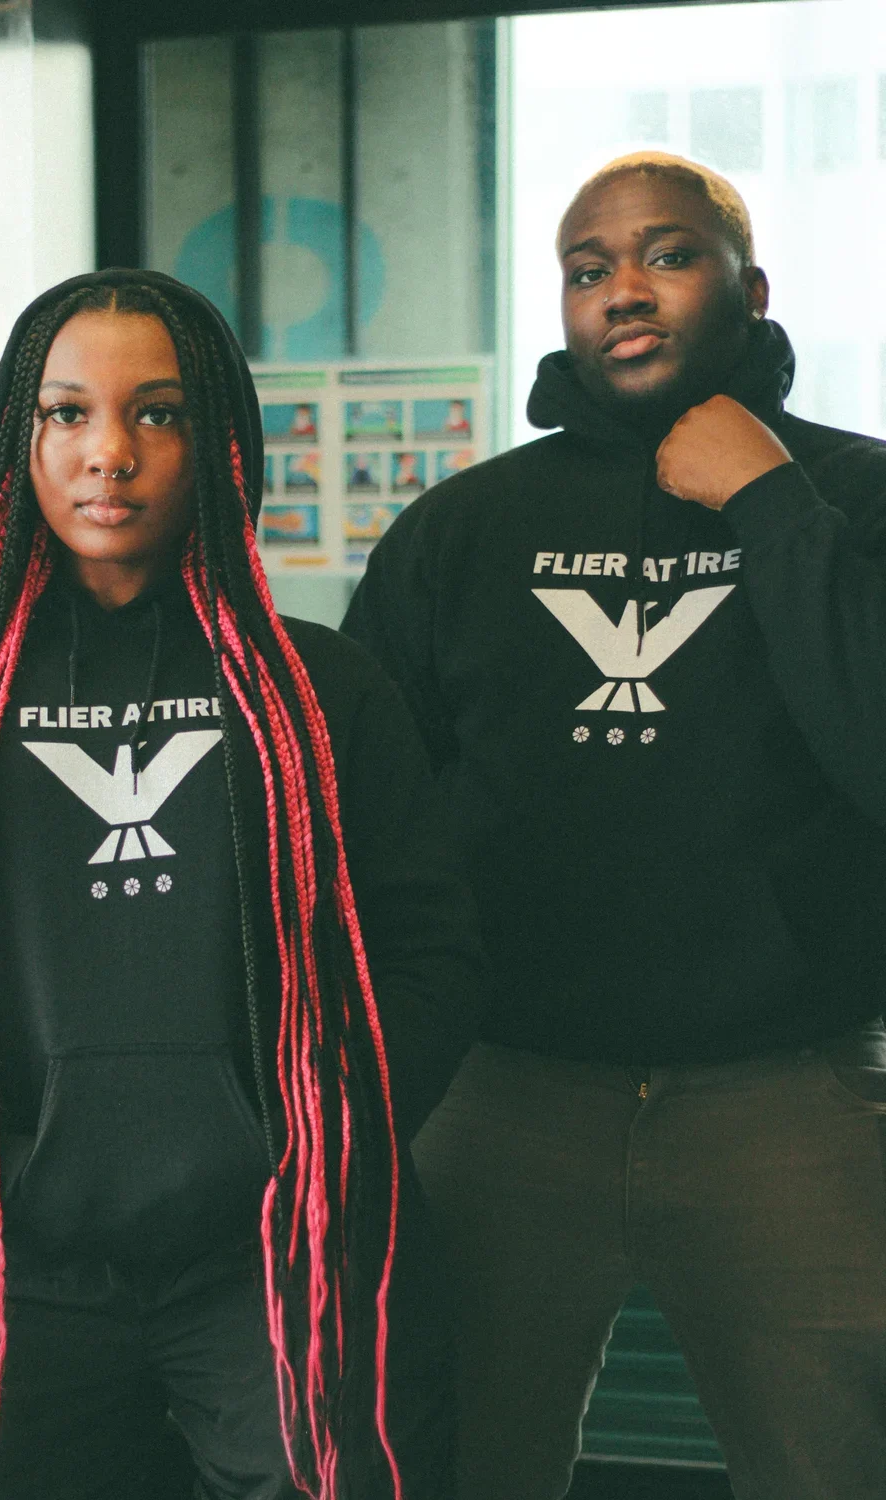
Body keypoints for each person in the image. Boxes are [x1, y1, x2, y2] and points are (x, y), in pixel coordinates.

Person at [342, 151, 886, 1500]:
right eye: (588, 270)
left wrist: (768, 504)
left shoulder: (856, 500)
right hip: (503, 1098)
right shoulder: (461, 529)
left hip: (784, 1098)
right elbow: (367, 827)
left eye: (668, 254)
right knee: (458, 1467)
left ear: (751, 288)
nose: (622, 290)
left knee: (832, 1468)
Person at [0, 269, 481, 1500]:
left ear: (218, 442)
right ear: (17, 440)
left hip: (272, 1252)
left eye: (155, 413)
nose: (108, 451)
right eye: (66, 413)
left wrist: (312, 1135)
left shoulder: (323, 690)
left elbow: (428, 946)